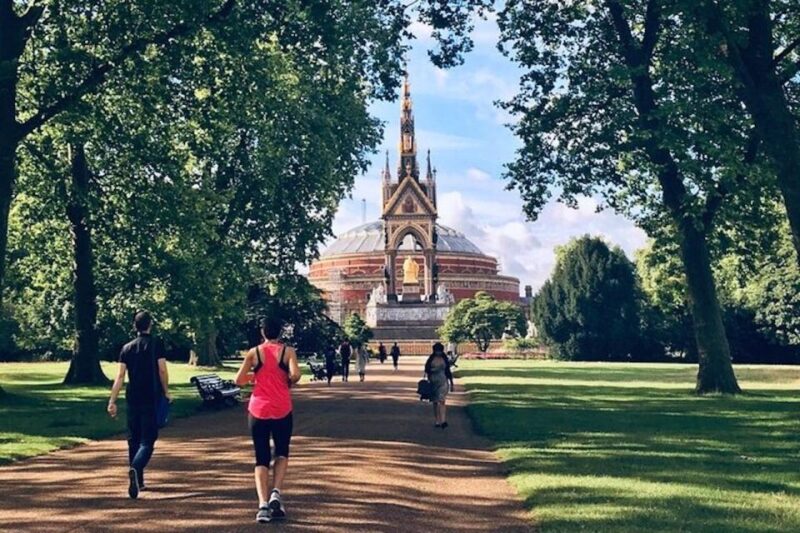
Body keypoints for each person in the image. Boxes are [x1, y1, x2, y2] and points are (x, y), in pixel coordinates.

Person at [235, 317, 302, 523]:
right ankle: (276, 492)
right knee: (282, 452)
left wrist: (255, 378)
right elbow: (296, 375)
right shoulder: (287, 352)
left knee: (261, 457)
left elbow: (238, 380)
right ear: (280, 333)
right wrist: (287, 380)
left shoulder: (254, 353)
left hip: (258, 409)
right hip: (282, 407)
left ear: (263, 332)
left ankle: (263, 505)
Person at [107, 311, 171, 499]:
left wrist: (112, 400)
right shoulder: (156, 344)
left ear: (135, 326)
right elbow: (162, 370)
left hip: (132, 397)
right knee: (148, 440)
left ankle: (138, 480)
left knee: (133, 438)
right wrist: (166, 390)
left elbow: (120, 377)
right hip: (150, 396)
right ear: (150, 324)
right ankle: (136, 467)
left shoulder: (126, 348)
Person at [424, 342, 454, 429]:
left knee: (442, 400)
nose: (438, 353)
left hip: (443, 381)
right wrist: (432, 370)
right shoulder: (431, 359)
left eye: (439, 351)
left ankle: (443, 420)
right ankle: (437, 420)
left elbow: (448, 372)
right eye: (437, 351)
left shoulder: (444, 359)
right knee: (435, 402)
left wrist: (452, 383)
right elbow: (426, 370)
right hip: (433, 382)